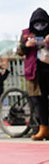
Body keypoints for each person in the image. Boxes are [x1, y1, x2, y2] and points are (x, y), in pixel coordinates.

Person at [17, 8, 49, 140]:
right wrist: (26, 46)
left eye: (43, 24)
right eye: (37, 24)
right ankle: (43, 129)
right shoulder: (26, 34)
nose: (40, 27)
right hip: (34, 73)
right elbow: (19, 51)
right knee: (39, 102)